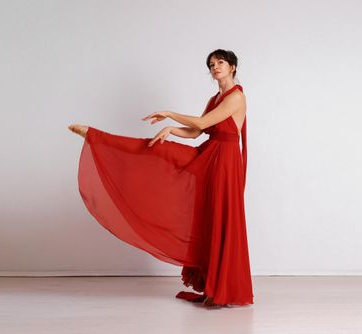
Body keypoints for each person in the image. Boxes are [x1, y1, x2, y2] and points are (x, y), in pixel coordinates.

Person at [68, 49, 253, 308]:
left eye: (220, 62)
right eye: (211, 64)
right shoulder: (215, 97)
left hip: (225, 162)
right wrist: (171, 130)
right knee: (158, 149)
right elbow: (195, 131)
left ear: (232, 66)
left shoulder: (237, 97)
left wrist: (169, 113)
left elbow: (203, 123)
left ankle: (221, 287)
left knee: (220, 217)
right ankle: (97, 138)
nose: (215, 67)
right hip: (210, 155)